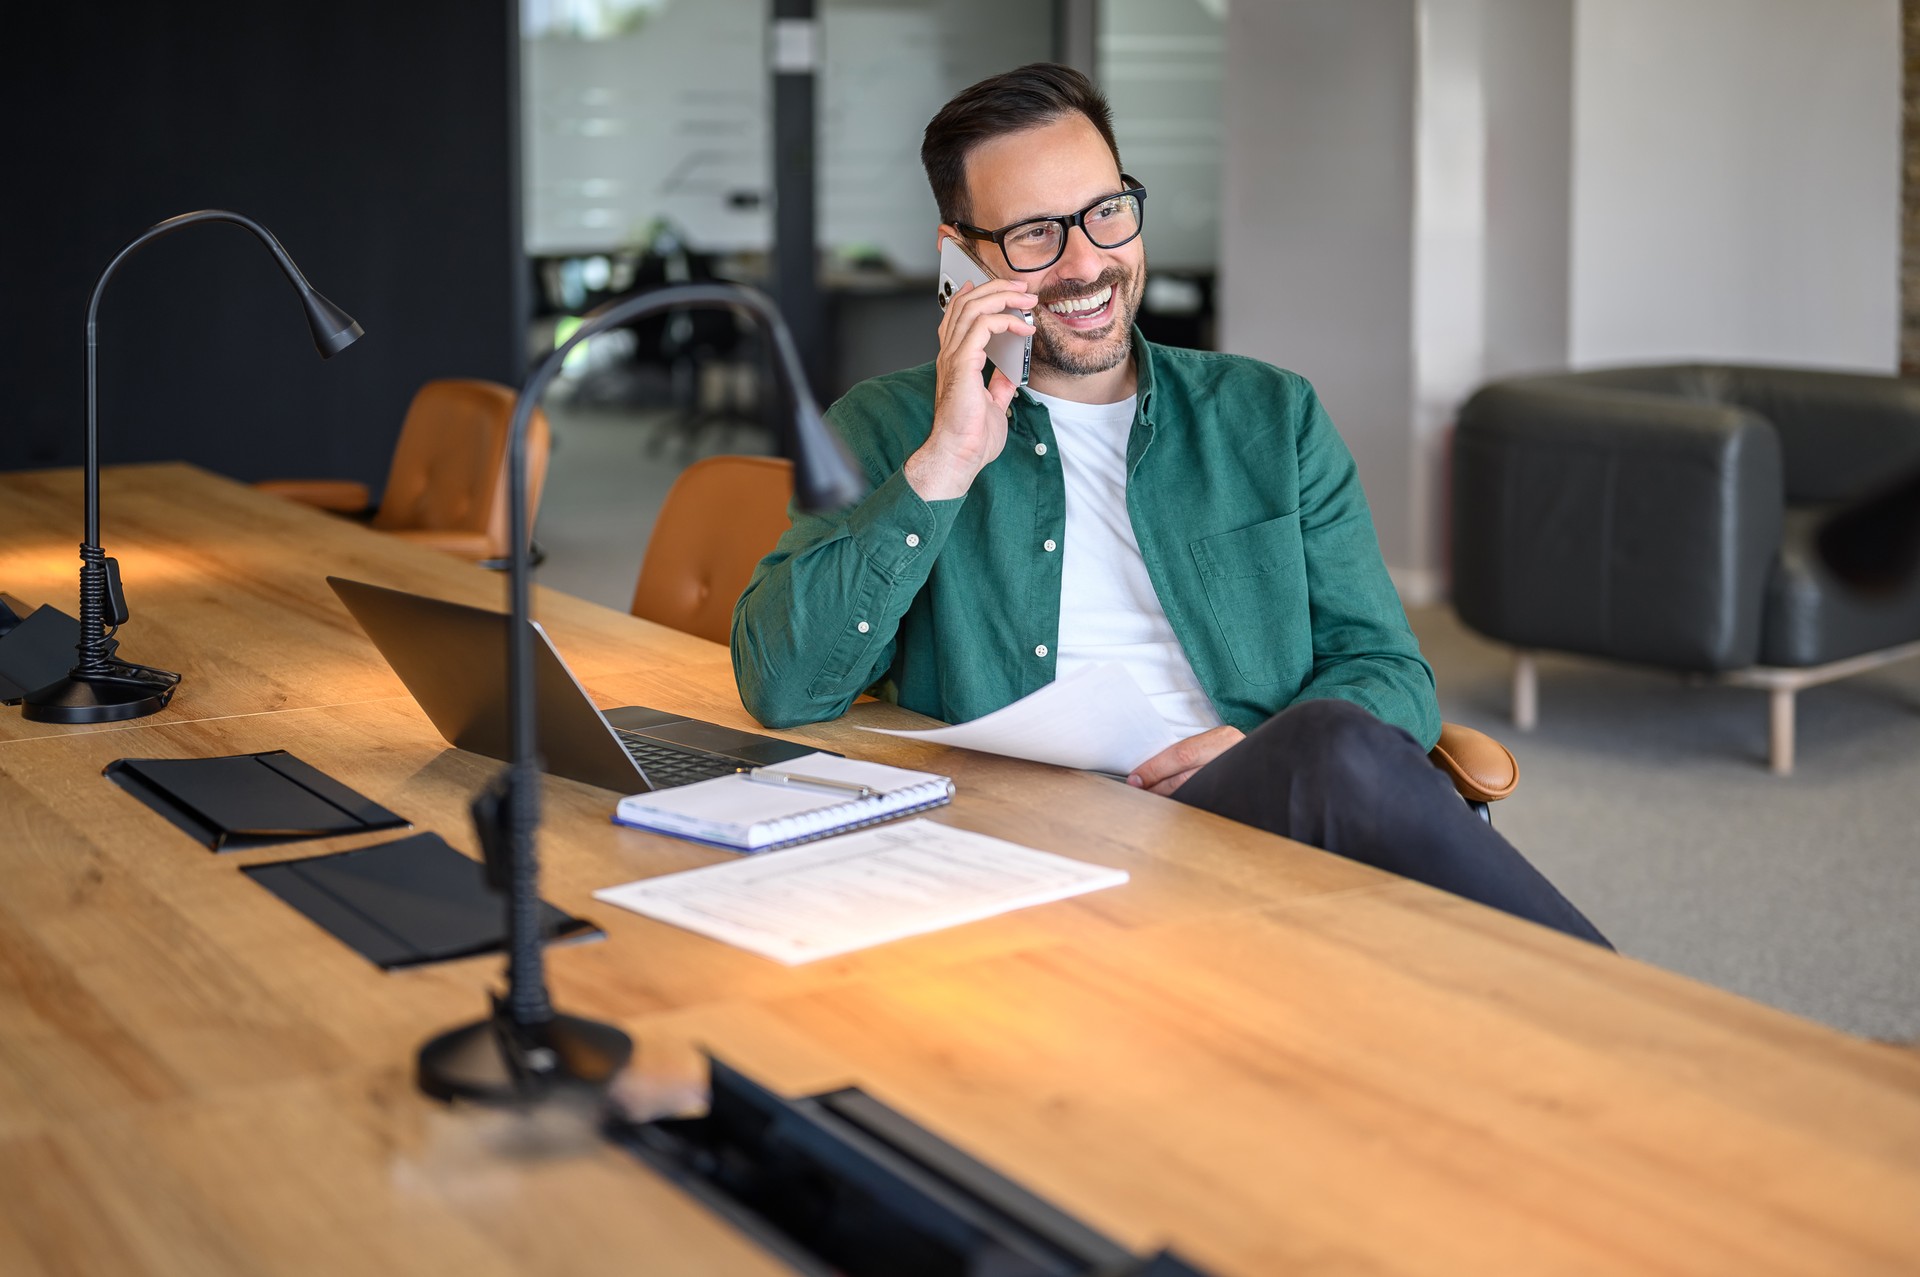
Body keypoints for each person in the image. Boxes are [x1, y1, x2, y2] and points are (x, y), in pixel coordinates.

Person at [733, 63, 1608, 947]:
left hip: (1259, 807)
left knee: (1337, 751)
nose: (1087, 263)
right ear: (961, 254)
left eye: (1106, 211)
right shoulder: (892, 428)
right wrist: (947, 462)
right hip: (1022, 843)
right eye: (1037, 233)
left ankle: (1614, 1014)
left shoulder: (1271, 415)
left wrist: (1257, 751)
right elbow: (785, 686)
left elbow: (1388, 667)